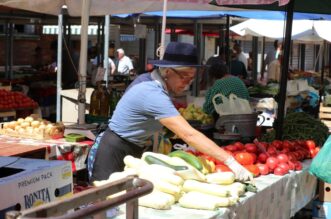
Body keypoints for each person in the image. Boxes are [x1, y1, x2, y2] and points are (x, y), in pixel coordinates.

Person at [87, 42, 253, 183]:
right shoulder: (151, 91)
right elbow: (190, 135)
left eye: (192, 78)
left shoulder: (151, 81)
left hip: (130, 148)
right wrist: (230, 161)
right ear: (167, 71)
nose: (187, 84)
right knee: (108, 208)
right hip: (114, 151)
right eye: (184, 77)